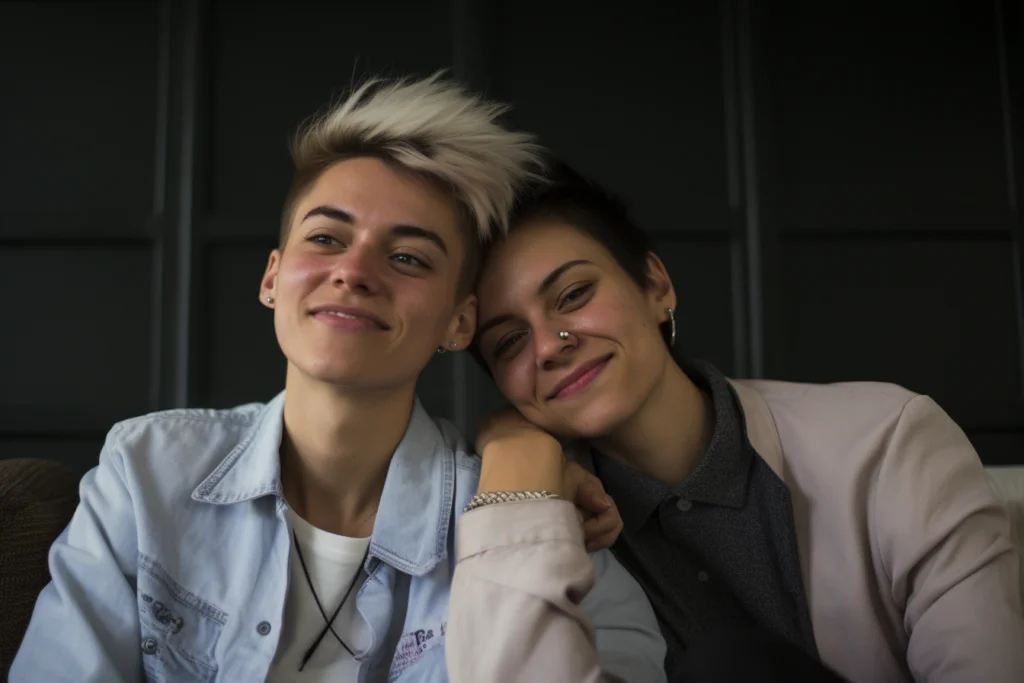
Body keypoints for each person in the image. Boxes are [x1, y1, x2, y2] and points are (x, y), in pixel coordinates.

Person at [10, 78, 666, 683]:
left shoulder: (528, 514)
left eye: (408, 256)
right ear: (273, 277)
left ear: (459, 322)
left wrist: (523, 460)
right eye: (326, 238)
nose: (353, 271)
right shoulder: (146, 471)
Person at [469, 162, 1024, 683]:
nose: (549, 346)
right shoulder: (544, 523)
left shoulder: (889, 441)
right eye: (509, 341)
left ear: (656, 285)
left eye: (573, 294)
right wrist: (512, 454)